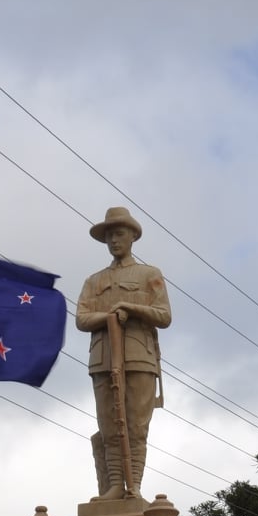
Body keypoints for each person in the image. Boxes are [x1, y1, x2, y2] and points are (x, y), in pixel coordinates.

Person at [76, 206, 171, 500]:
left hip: (140, 358)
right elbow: (81, 318)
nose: (114, 241)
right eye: (109, 236)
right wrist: (107, 318)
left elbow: (164, 315)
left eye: (119, 234)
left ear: (132, 236)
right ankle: (115, 484)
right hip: (103, 360)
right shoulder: (94, 281)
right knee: (109, 426)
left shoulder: (149, 274)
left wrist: (131, 309)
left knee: (136, 426)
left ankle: (135, 486)